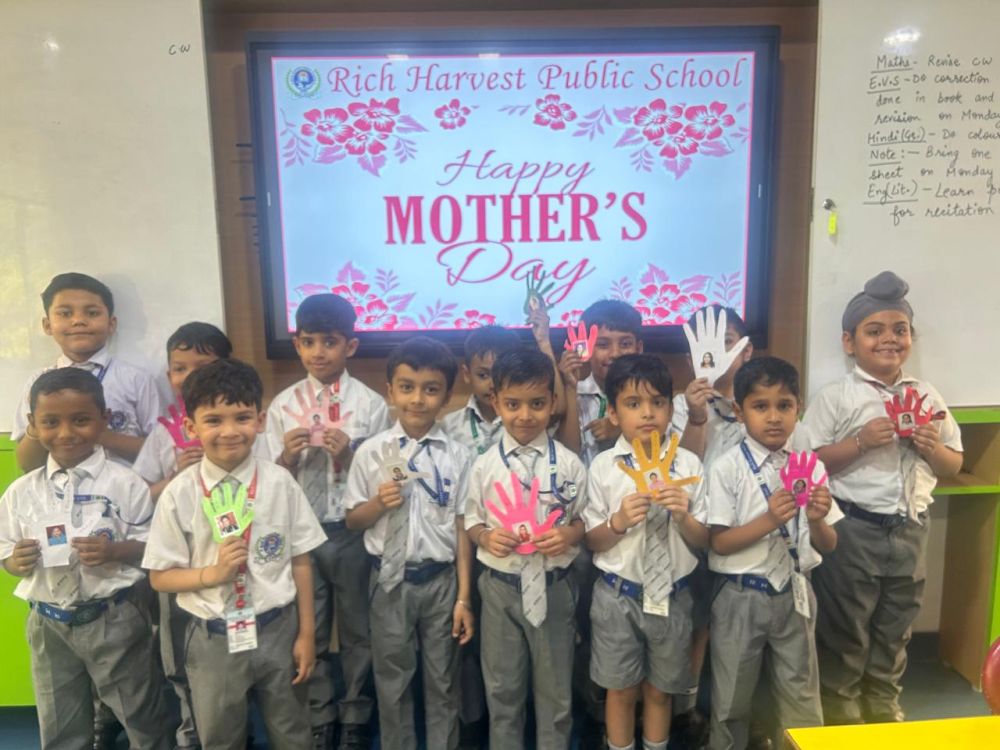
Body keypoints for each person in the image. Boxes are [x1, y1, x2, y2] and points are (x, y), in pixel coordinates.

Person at [802, 271, 962, 725]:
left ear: (911, 338)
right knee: (846, 623)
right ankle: (842, 707)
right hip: (853, 528)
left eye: (900, 330)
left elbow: (953, 464)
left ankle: (883, 701)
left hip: (910, 527)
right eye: (874, 331)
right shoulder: (837, 398)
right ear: (849, 342)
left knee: (897, 621)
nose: (889, 339)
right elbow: (809, 462)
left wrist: (932, 448)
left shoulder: (926, 395)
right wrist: (859, 443)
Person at [143, 359, 327, 749]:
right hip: (213, 636)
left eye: (242, 418)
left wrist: (307, 634)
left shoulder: (280, 483)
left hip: (278, 629)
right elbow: (160, 576)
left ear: (260, 421)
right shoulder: (180, 493)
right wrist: (211, 574)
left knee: (293, 732)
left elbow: (301, 560)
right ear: (191, 427)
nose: (229, 431)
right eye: (213, 420)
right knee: (220, 737)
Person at [0, 367, 170, 749]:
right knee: (60, 724)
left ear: (103, 419)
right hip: (48, 623)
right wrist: (15, 562)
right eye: (50, 422)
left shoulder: (127, 484)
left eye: (80, 420)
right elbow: (5, 550)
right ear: (32, 424)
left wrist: (115, 551)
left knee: (142, 718)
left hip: (115, 616)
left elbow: (153, 545)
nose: (65, 433)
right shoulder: (21, 492)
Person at [266, 293, 390, 749]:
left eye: (330, 342)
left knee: (358, 629)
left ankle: (356, 714)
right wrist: (287, 455)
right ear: (297, 345)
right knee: (310, 627)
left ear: (350, 346)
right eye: (308, 342)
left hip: (350, 529)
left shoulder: (371, 405)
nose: (319, 352)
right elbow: (267, 478)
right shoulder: (282, 406)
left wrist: (351, 453)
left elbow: (385, 476)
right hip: (301, 534)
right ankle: (319, 714)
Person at [345, 337, 474, 750]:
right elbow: (352, 520)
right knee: (392, 679)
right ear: (390, 391)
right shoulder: (370, 452)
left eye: (431, 389)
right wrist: (377, 504)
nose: (417, 399)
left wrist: (464, 597)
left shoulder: (459, 456)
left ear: (447, 397)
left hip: (441, 581)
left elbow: (462, 529)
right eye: (407, 387)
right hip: (389, 579)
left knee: (443, 679)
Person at [706, 357, 842, 749]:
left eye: (784, 405)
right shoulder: (727, 467)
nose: (773, 417)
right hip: (740, 595)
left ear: (799, 408)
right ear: (739, 412)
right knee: (731, 698)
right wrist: (769, 520)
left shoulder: (809, 466)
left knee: (801, 693)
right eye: (760, 406)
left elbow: (829, 543)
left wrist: (817, 519)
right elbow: (719, 542)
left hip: (795, 591)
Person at [583, 354, 709, 750]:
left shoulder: (688, 464)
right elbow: (592, 540)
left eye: (658, 402)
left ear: (671, 409)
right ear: (613, 413)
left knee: (660, 691)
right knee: (620, 691)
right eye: (633, 403)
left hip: (673, 596)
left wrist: (684, 516)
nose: (648, 413)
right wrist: (618, 521)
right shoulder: (603, 467)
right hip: (617, 595)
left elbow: (703, 539)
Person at [465, 349, 588, 749]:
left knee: (556, 696)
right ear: (496, 401)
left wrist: (569, 535)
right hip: (500, 588)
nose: (525, 415)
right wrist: (485, 537)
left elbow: (585, 520)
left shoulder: (570, 464)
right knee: (503, 692)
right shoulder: (484, 466)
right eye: (513, 404)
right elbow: (470, 521)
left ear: (553, 402)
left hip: (554, 587)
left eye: (537, 404)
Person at [13, 272, 161, 473]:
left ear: (111, 324)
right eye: (65, 313)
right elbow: (27, 464)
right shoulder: (37, 383)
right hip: (58, 490)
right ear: (48, 325)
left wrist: (100, 434)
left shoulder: (136, 379)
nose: (78, 321)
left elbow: (159, 451)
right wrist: (42, 425)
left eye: (92, 313)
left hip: (123, 489)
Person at [134, 322, 238, 502]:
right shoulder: (163, 433)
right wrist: (176, 476)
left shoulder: (242, 425)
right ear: (169, 376)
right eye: (180, 369)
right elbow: (138, 499)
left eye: (202, 367)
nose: (190, 376)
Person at [558, 300, 644, 466]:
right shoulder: (576, 394)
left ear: (638, 348)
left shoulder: (651, 394)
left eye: (625, 344)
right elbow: (568, 455)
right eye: (603, 345)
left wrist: (621, 428)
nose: (615, 354)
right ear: (586, 349)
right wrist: (569, 387)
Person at [441, 325, 520, 457]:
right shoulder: (450, 425)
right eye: (483, 375)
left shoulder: (524, 422)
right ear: (467, 374)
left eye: (501, 375)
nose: (492, 385)